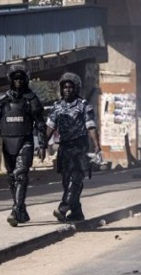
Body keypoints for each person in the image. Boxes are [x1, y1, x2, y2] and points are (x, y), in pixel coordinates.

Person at [0, 64, 47, 227]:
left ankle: (15, 210)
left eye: (21, 78)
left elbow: (40, 123)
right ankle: (21, 209)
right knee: (12, 178)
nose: (18, 81)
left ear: (25, 79)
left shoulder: (31, 99)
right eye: (15, 78)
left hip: (25, 141)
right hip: (7, 143)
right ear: (10, 80)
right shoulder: (2, 100)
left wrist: (42, 144)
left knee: (21, 175)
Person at [46, 72, 100, 223]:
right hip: (64, 148)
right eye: (65, 87)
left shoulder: (84, 106)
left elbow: (91, 127)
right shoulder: (57, 107)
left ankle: (63, 208)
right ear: (61, 89)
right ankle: (77, 212)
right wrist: (43, 144)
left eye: (70, 87)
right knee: (66, 181)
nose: (67, 89)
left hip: (79, 146)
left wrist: (97, 146)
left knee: (75, 180)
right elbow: (50, 127)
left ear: (76, 89)